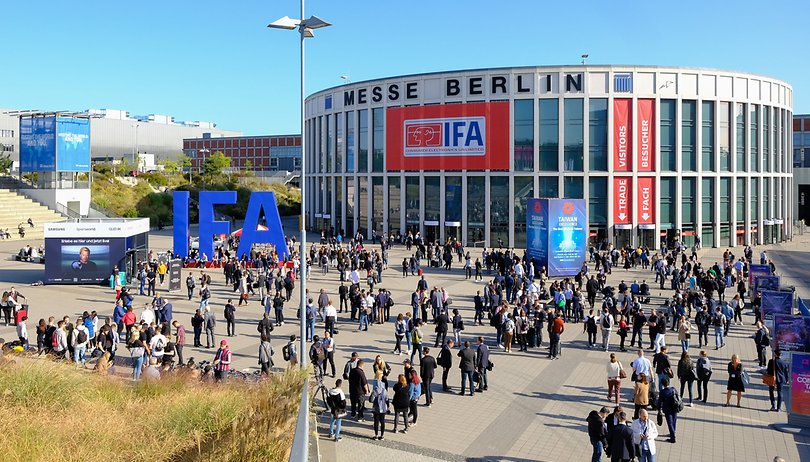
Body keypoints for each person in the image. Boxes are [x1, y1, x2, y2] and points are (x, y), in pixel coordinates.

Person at [658, 377, 681, 443]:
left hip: (667, 409)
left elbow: (660, 401)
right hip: (675, 407)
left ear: (662, 384)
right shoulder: (673, 389)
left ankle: (672, 437)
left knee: (670, 423)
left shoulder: (662, 392)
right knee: (674, 420)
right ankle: (673, 432)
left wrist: (659, 409)